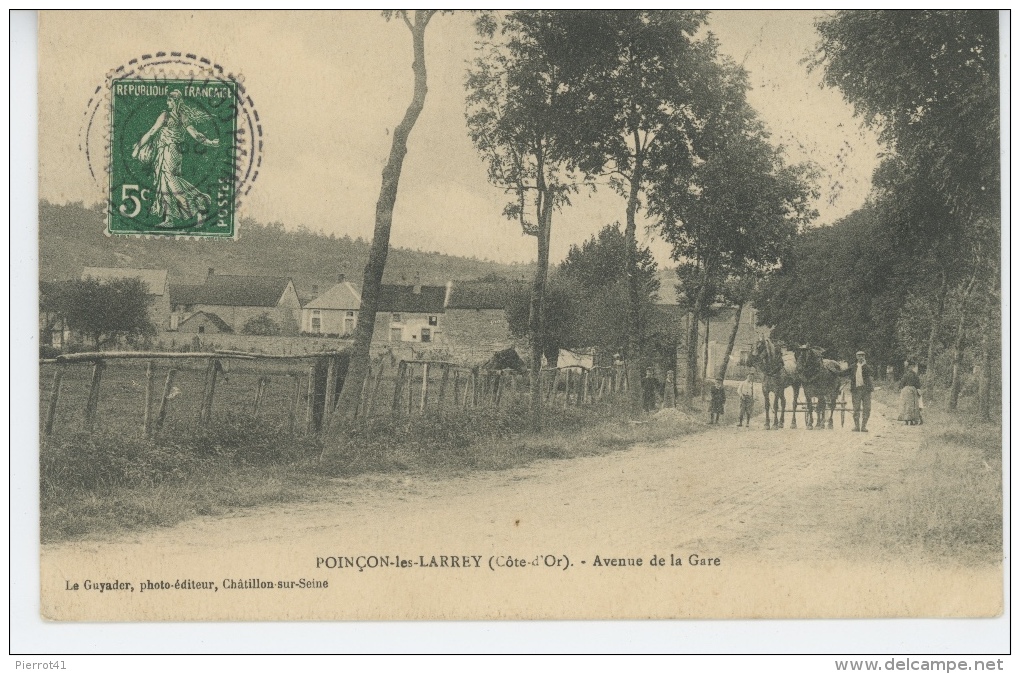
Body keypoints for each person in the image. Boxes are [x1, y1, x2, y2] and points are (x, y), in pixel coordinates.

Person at [132, 90, 220, 228]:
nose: (168, 103)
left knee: (172, 185)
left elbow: (195, 134)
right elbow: (152, 131)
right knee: (163, 184)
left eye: (170, 101)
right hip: (163, 152)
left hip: (172, 151)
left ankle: (198, 209)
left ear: (177, 101)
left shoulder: (180, 116)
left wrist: (210, 142)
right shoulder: (165, 115)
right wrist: (138, 147)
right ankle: (169, 219)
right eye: (167, 100)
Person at [848, 350, 874, 432]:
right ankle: (856, 426)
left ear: (864, 357)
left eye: (862, 356)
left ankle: (863, 427)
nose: (861, 357)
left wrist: (864, 365)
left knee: (867, 408)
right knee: (856, 408)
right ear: (856, 357)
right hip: (856, 390)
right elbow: (843, 373)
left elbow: (872, 373)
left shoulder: (867, 366)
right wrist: (833, 371)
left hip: (866, 391)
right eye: (859, 356)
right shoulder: (853, 366)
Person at [897, 359, 922, 425]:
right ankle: (912, 420)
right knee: (912, 405)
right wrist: (918, 389)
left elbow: (902, 383)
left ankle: (906, 420)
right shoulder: (914, 375)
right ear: (912, 367)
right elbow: (918, 384)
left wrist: (901, 388)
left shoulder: (906, 374)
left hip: (905, 390)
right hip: (912, 390)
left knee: (906, 405)